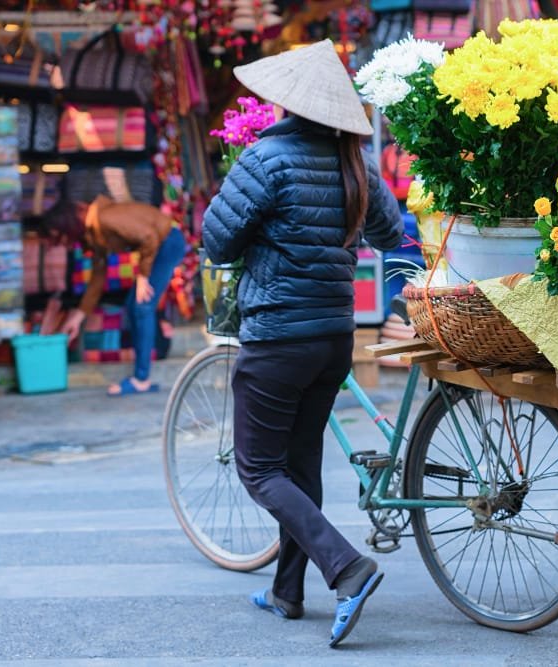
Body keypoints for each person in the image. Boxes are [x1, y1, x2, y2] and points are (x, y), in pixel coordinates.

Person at [201, 40, 404, 647]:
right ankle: (288, 592)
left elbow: (216, 242)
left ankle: (347, 567)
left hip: (278, 337)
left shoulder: (265, 159)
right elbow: (389, 231)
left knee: (259, 469)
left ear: (286, 101)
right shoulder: (355, 160)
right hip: (334, 338)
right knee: (299, 465)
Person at [57, 196, 185, 396]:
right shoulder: (95, 232)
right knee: (132, 306)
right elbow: (98, 277)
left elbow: (149, 236)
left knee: (142, 307)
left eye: (64, 237)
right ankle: (141, 375)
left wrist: (143, 275)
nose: (66, 243)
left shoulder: (104, 219)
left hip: (168, 244)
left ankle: (141, 380)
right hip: (160, 247)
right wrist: (78, 316)